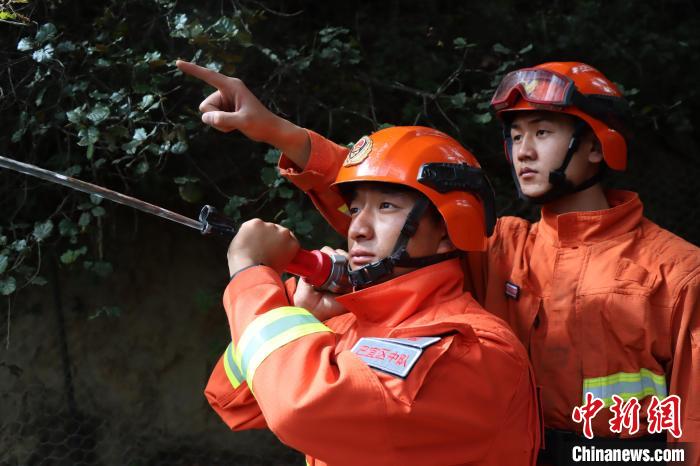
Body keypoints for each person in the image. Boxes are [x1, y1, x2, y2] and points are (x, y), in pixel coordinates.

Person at [176, 60, 699, 462]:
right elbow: (402, 203)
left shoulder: (676, 271)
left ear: (597, 145)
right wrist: (276, 132)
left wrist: (252, 274)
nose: (522, 150)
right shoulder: (504, 246)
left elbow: (694, 423)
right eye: (516, 135)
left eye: (542, 132)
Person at [202, 124, 541, 465]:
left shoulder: (475, 351)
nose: (358, 229)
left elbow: (300, 407)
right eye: (355, 209)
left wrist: (249, 272)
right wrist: (302, 315)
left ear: (446, 231)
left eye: (386, 206)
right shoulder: (346, 322)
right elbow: (233, 400)